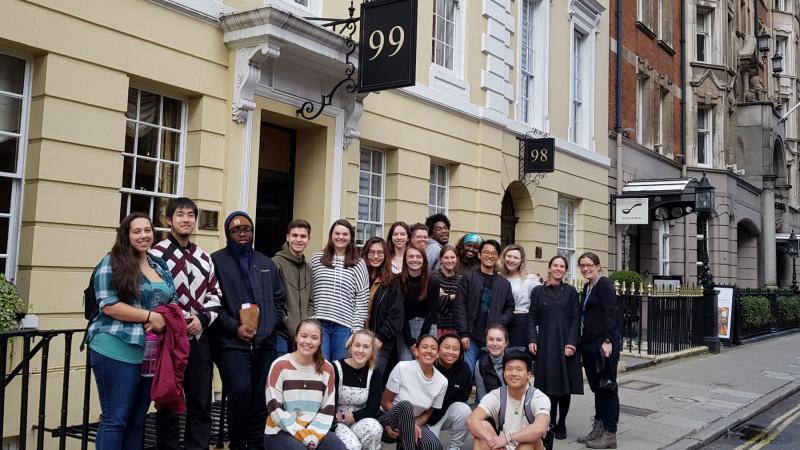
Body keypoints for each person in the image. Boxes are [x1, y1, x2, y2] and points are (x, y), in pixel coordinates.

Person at [87, 212, 178, 450]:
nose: (143, 235)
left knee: (138, 421)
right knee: (115, 420)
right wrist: (151, 316)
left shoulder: (159, 264)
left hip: (150, 354)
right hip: (115, 348)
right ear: (126, 235)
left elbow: (173, 299)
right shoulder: (111, 262)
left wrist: (168, 318)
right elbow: (108, 304)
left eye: (147, 230)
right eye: (136, 231)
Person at [149, 198, 222, 450]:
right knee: (168, 399)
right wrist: (179, 319)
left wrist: (202, 320)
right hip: (169, 339)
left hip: (199, 339)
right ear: (169, 220)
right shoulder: (155, 255)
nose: (186, 219)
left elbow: (215, 295)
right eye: (180, 215)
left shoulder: (204, 257)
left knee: (200, 402)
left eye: (191, 215)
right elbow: (154, 295)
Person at [211, 211, 287, 450]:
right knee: (240, 391)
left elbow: (279, 301)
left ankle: (256, 443)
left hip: (264, 342)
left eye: (247, 229)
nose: (242, 234)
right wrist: (235, 328)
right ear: (227, 233)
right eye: (236, 230)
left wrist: (268, 326)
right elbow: (212, 302)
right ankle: (237, 442)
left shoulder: (266, 263)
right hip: (230, 342)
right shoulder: (216, 261)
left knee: (260, 397)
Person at [265, 319, 347, 450]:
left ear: (320, 341)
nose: (308, 341)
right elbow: (275, 409)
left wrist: (313, 435)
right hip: (280, 430)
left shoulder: (327, 369)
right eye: (304, 336)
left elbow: (327, 409)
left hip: (314, 430)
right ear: (296, 337)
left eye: (314, 337)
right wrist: (304, 436)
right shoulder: (280, 365)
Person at [527, 255, 583, 441]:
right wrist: (532, 339)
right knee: (547, 386)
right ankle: (548, 421)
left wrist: (571, 343)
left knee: (564, 387)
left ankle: (562, 422)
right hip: (546, 343)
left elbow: (576, 319)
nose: (558, 269)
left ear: (565, 270)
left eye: (562, 266)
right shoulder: (537, 291)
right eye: (555, 265)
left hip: (566, 343)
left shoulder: (571, 292)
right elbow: (532, 318)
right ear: (549, 268)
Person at [577, 252, 621, 449]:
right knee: (597, 388)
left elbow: (612, 312)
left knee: (608, 387)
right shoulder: (588, 286)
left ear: (597, 265)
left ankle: (610, 434)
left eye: (589, 265)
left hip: (604, 345)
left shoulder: (604, 284)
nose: (586, 268)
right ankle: (599, 428)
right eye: (582, 266)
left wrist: (608, 340)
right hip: (590, 344)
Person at [310, 219, 370, 361]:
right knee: (320, 366)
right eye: (337, 233)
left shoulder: (358, 263)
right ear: (331, 235)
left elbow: (362, 298)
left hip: (344, 326)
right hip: (319, 323)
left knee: (339, 368)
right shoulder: (316, 259)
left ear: (350, 237)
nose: (340, 237)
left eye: (345, 234)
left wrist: (355, 330)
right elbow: (308, 292)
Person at [467, 351, 551, 450]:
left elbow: (540, 428)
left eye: (519, 369)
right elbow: (472, 419)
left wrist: (507, 439)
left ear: (529, 374)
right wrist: (490, 439)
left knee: (528, 442)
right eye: (509, 369)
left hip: (528, 446)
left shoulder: (538, 397)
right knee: (482, 427)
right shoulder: (497, 395)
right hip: (503, 446)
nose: (513, 373)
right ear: (504, 373)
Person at [379, 334, 448, 450]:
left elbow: (428, 412)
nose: (429, 351)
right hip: (389, 420)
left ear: (437, 354)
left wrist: (412, 425)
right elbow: (385, 402)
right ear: (416, 351)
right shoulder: (402, 368)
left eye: (433, 348)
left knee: (434, 446)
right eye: (425, 347)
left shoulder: (442, 381)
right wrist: (408, 422)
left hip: (416, 422)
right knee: (406, 406)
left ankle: (404, 441)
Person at [456, 239, 515, 373]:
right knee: (467, 373)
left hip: (492, 341)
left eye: (493, 253)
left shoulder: (504, 284)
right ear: (479, 255)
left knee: (487, 377)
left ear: (498, 257)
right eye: (486, 252)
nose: (489, 256)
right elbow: (459, 306)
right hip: (470, 338)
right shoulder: (468, 278)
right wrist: (463, 333)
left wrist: (499, 323)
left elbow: (510, 308)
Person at [332, 330, 384, 450]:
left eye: (366, 347)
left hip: (359, 421)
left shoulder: (374, 373)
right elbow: (331, 409)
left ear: (372, 351)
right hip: (336, 422)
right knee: (353, 446)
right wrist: (339, 419)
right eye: (357, 345)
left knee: (374, 428)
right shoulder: (335, 368)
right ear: (350, 347)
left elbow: (372, 409)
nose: (360, 350)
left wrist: (344, 417)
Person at [361, 237, 403, 374]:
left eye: (380, 253)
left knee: (375, 378)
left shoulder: (393, 281)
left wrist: (380, 338)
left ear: (386, 255)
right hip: (358, 337)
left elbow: (396, 315)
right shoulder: (358, 277)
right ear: (366, 254)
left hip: (381, 341)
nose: (376, 256)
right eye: (371, 252)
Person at [273, 219, 314, 357]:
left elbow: (311, 302)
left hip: (303, 339)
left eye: (303, 236)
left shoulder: (308, 269)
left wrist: (305, 327)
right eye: (295, 235)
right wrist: (287, 323)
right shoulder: (275, 264)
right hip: (281, 335)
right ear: (287, 237)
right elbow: (273, 301)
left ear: (308, 239)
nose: (299, 240)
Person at [428, 334, 473, 450]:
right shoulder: (428, 365)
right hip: (424, 416)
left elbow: (465, 393)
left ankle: (454, 447)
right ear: (438, 348)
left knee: (464, 410)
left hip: (446, 411)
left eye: (456, 349)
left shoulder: (464, 368)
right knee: (430, 446)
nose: (451, 352)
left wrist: (446, 402)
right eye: (447, 347)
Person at [398, 245, 442, 361]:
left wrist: (422, 339)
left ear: (424, 260)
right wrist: (411, 343)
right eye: (411, 256)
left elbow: (431, 312)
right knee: (406, 365)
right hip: (405, 329)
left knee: (426, 366)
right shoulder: (398, 281)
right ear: (405, 260)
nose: (415, 259)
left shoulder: (433, 281)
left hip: (427, 327)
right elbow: (401, 313)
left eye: (418, 256)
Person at [497, 244, 541, 351]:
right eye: (509, 256)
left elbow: (539, 304)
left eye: (515, 257)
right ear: (504, 257)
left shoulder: (530, 279)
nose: (511, 260)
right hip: (501, 322)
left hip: (521, 321)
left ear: (521, 261)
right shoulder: (498, 277)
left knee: (517, 356)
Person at [431, 244, 464, 338]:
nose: (450, 260)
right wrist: (454, 296)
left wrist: (446, 297)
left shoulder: (461, 279)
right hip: (436, 326)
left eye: (452, 257)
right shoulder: (433, 277)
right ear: (441, 259)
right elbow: (435, 304)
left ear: (457, 259)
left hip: (456, 327)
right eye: (446, 257)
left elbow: (463, 303)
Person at [474, 325, 509, 402]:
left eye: (499, 340)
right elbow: (482, 398)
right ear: (486, 342)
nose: (494, 343)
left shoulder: (515, 361)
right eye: (491, 339)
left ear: (506, 343)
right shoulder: (480, 364)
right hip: (492, 408)